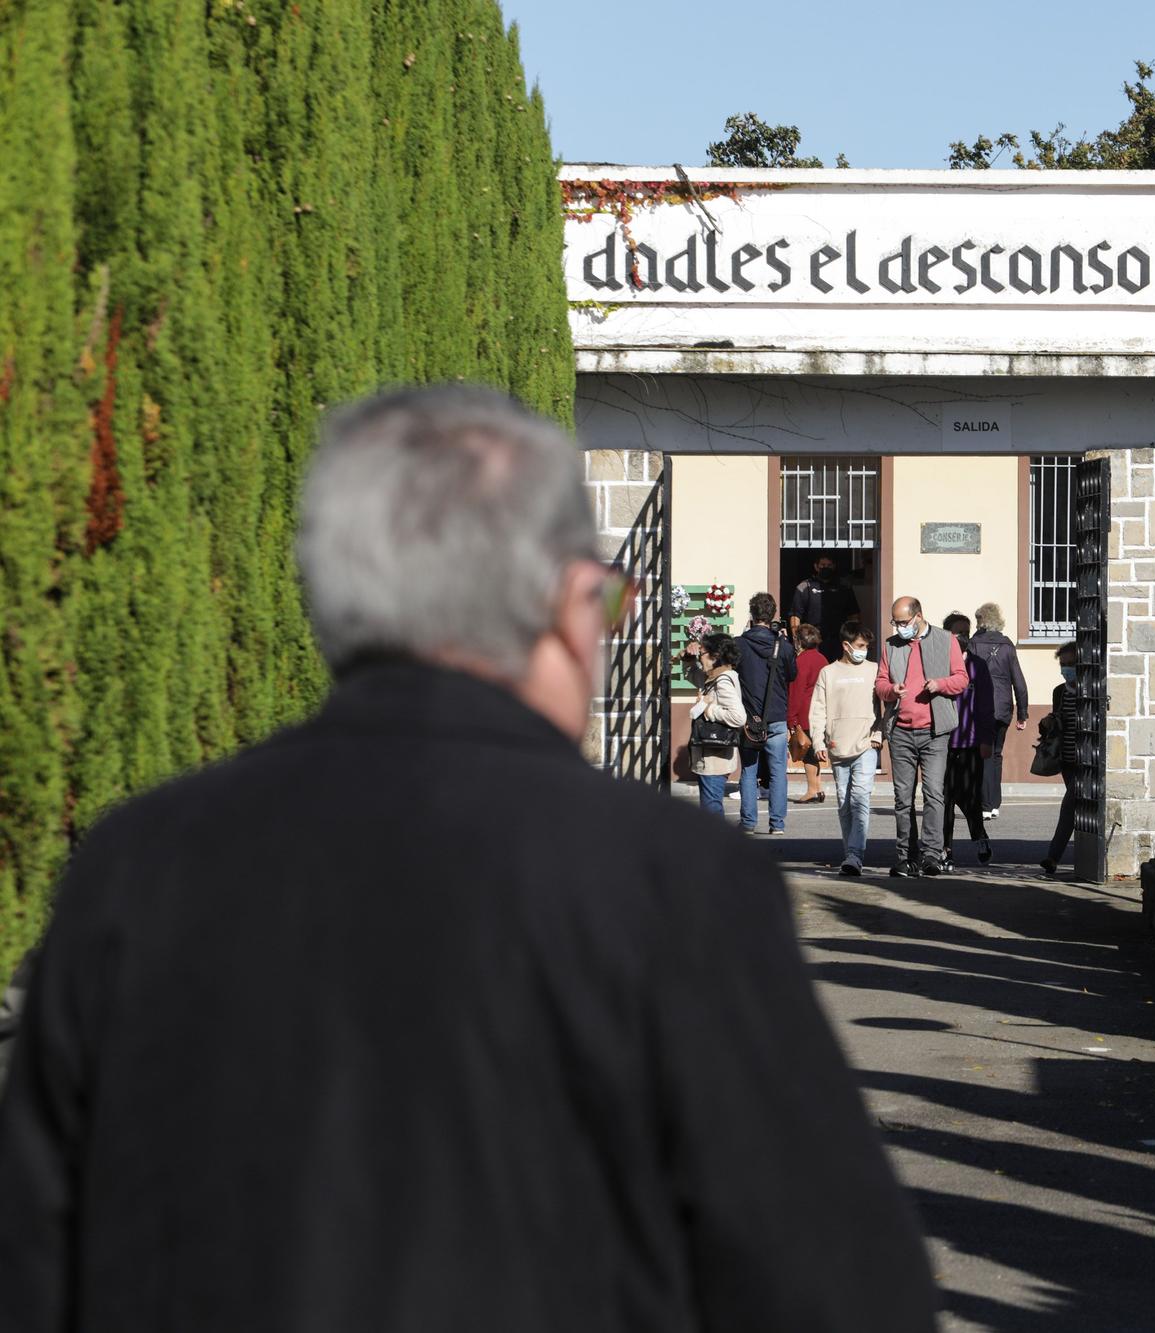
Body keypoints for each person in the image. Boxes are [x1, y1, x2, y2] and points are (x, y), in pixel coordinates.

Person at [0, 385, 936, 1331]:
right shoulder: (674, 880)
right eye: (610, 601)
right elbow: (841, 1284)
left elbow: (36, 1259)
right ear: (572, 600)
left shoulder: (137, 866)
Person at [874, 595, 967, 877]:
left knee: (933, 794)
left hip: (934, 731)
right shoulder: (891, 646)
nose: (899, 627)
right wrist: (892, 691)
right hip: (901, 731)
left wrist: (939, 684)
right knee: (902, 797)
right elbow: (880, 683)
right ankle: (905, 856)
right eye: (895, 622)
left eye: (903, 622)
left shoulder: (945, 640)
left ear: (918, 616)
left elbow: (962, 678)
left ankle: (931, 855)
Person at [811, 621, 886, 876]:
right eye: (860, 646)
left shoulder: (875, 670)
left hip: (866, 744)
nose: (864, 650)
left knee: (860, 798)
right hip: (837, 746)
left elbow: (885, 707)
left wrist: (878, 734)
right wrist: (818, 741)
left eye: (866, 646)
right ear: (846, 645)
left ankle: (855, 855)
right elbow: (818, 709)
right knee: (844, 803)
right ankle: (850, 853)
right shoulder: (828, 673)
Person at [734, 591, 797, 836]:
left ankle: (748, 822)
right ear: (773, 615)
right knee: (778, 771)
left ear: (752, 614)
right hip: (777, 715)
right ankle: (777, 824)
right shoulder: (784, 647)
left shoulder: (739, 644)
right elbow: (792, 675)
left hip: (749, 717)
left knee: (749, 771)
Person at [939, 613, 995, 872]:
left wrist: (986, 739)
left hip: (971, 743)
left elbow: (985, 706)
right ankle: (945, 849)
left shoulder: (978, 666)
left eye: (966, 631)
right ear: (947, 634)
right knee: (945, 798)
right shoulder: (938, 663)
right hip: (943, 743)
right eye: (957, 632)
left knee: (970, 797)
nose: (963, 636)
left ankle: (979, 836)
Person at [967, 602, 1031, 822]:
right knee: (996, 754)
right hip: (1003, 706)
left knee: (982, 755)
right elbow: (1019, 683)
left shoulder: (974, 644)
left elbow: (968, 678)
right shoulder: (1007, 645)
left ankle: (985, 804)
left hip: (979, 706)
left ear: (981, 621)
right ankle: (994, 803)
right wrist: (1022, 713)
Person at [686, 631, 746, 815]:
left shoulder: (723, 681)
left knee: (711, 809)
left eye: (702, 654)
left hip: (715, 757)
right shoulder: (714, 677)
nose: (700, 658)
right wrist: (688, 659)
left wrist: (708, 710)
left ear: (715, 657)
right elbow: (693, 676)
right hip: (711, 754)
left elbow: (738, 717)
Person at [1039, 641, 1083, 879]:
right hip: (1066, 760)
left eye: (1071, 664)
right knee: (1079, 809)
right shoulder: (1060, 691)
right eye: (1063, 665)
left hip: (1086, 761)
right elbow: (1056, 723)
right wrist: (1048, 722)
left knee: (1069, 808)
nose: (1066, 669)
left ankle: (1053, 856)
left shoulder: (1091, 690)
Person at [787, 623, 829, 804]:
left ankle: (813, 789)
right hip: (821, 710)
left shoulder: (801, 661)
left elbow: (796, 691)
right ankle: (817, 788)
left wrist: (791, 718)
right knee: (814, 750)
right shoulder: (822, 659)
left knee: (807, 753)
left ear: (799, 641)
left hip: (805, 712)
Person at [791, 550, 859, 650]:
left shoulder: (844, 587)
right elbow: (795, 616)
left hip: (838, 640)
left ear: (834, 566)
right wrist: (797, 641)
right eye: (823, 565)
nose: (826, 567)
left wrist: (854, 639)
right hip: (812, 641)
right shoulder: (805, 587)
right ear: (816, 566)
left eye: (829, 565)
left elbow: (854, 615)